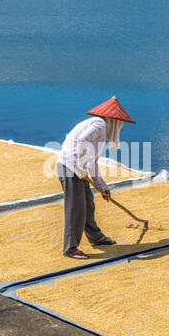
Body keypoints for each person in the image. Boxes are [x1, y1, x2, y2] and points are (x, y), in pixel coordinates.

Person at [57, 96, 136, 260]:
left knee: (88, 203)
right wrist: (79, 167)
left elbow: (92, 162)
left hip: (77, 168)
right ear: (114, 120)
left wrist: (102, 187)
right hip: (70, 167)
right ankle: (70, 248)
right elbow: (81, 140)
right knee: (76, 207)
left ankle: (96, 237)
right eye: (120, 123)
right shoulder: (100, 125)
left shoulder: (101, 131)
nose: (120, 128)